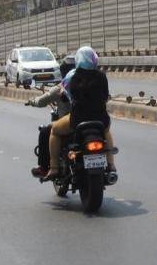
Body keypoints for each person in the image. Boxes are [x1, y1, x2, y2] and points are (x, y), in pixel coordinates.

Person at [43, 46, 116, 180]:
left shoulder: (72, 76)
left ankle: (53, 168)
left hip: (78, 119)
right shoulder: (101, 76)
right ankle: (111, 164)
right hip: (101, 119)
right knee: (106, 131)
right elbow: (105, 97)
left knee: (54, 130)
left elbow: (65, 95)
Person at [26, 55, 76, 178]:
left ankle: (46, 168)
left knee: (45, 132)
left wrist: (32, 101)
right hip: (93, 119)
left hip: (71, 121)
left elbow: (41, 101)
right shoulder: (90, 83)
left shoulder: (60, 88)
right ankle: (110, 165)